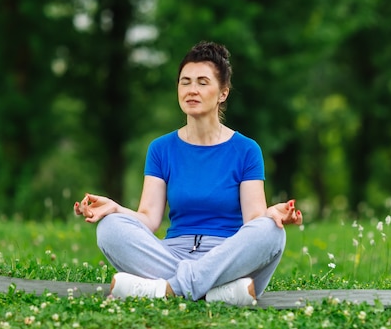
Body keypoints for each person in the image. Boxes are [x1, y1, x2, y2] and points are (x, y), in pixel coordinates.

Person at [74, 41, 302, 306]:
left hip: (226, 259)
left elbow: (253, 223)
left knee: (270, 232)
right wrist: (115, 209)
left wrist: (271, 215)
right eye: (185, 82)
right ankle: (216, 293)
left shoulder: (246, 150)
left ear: (223, 93)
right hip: (172, 254)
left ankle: (167, 289)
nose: (192, 90)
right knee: (110, 228)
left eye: (203, 82)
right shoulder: (161, 149)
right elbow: (149, 219)